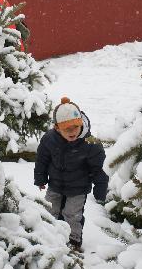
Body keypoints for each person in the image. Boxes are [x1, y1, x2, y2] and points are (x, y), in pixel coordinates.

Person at [34, 97, 108, 251]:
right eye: (67, 128)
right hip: (55, 184)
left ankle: (74, 241)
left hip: (78, 188)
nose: (72, 131)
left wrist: (100, 190)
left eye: (75, 126)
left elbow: (98, 169)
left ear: (81, 122)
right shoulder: (50, 139)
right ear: (57, 127)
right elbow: (42, 159)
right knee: (50, 209)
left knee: (72, 214)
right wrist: (40, 178)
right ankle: (50, 236)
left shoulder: (90, 143)